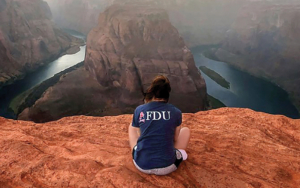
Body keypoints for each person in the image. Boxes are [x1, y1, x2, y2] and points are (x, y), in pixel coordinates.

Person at [128, 75, 190, 175]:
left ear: (152, 92)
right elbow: (175, 138)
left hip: (141, 165)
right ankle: (179, 154)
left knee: (132, 126)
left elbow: (140, 134)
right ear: (167, 94)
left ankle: (140, 152)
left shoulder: (139, 110)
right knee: (186, 130)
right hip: (168, 166)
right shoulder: (176, 112)